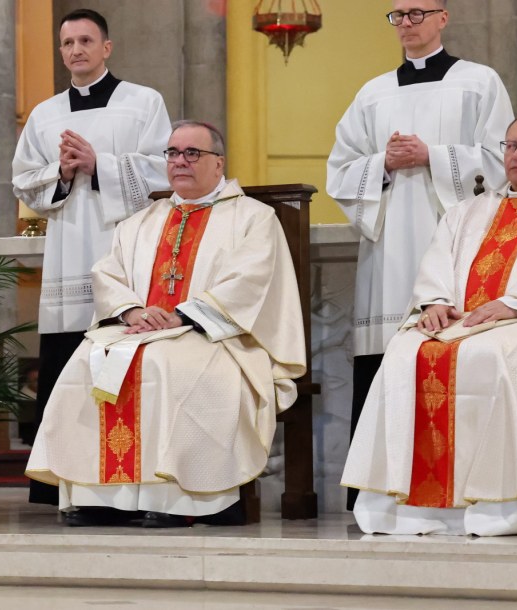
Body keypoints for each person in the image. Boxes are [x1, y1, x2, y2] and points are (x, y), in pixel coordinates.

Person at [341, 111, 517, 536]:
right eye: (511, 146)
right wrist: (434, 301)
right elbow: (438, 260)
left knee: (497, 355)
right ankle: (407, 509)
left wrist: (516, 304)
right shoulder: (470, 209)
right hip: (461, 319)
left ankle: (505, 505)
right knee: (404, 352)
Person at [25, 121, 307, 527]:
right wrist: (132, 311)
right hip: (139, 330)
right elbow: (108, 273)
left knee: (164, 365)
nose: (180, 161)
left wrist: (182, 315)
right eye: (173, 153)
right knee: (87, 360)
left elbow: (251, 282)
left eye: (192, 153)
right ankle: (101, 496)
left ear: (218, 163)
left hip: (217, 335)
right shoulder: (140, 221)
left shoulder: (252, 218)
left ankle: (178, 497)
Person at [326, 0, 514, 510]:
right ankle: (378, 496)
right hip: (388, 250)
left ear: (442, 18)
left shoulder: (479, 82)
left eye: (416, 13)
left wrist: (432, 155)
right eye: (398, 15)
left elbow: (503, 160)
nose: (406, 23)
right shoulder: (372, 93)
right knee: (386, 360)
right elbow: (341, 169)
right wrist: (382, 165)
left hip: (457, 246)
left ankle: (463, 492)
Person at [12, 9, 171, 503]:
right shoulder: (44, 115)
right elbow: (23, 181)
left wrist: (98, 164)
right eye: (67, 43)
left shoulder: (143, 102)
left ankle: (129, 482)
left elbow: (166, 169)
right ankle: (63, 482)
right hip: (68, 251)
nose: (76, 50)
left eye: (85, 40)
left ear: (107, 47)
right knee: (66, 362)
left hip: (125, 250)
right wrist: (60, 172)